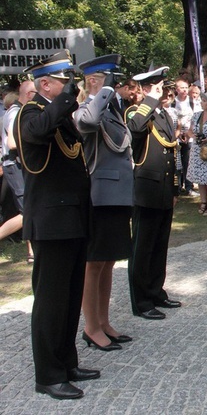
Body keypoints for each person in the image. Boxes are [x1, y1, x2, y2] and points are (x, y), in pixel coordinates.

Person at [16, 50, 98, 399]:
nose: (71, 88)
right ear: (44, 84)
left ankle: (67, 361)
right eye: (64, 82)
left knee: (69, 296)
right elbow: (40, 130)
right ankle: (48, 375)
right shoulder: (29, 114)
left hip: (73, 216)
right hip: (51, 221)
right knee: (50, 300)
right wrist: (66, 97)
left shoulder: (58, 114)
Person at [73, 54, 134, 352]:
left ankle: (104, 321)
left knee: (109, 262)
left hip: (118, 196)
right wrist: (98, 92)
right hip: (100, 196)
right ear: (97, 80)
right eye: (111, 79)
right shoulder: (89, 107)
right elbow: (85, 124)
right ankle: (90, 326)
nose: (117, 85)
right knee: (94, 263)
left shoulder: (112, 111)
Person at [126, 67, 181, 321]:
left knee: (160, 245)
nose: (163, 91)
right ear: (146, 88)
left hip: (163, 188)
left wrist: (174, 188)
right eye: (157, 86)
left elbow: (171, 155)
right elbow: (136, 129)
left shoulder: (164, 115)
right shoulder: (136, 112)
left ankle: (156, 291)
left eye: (163, 86)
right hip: (146, 190)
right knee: (143, 248)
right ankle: (141, 300)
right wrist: (148, 99)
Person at [0, 81, 35, 263]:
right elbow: (13, 143)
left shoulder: (17, 111)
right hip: (14, 163)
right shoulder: (15, 113)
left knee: (29, 209)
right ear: (29, 95)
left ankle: (32, 252)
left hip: (18, 163)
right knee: (26, 211)